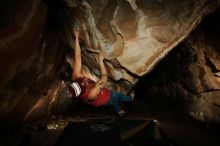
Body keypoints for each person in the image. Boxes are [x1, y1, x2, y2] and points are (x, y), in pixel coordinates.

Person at [67, 26, 134, 117]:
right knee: (115, 95)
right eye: (85, 84)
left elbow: (77, 58)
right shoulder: (92, 93)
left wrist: (76, 38)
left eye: (82, 80)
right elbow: (104, 78)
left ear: (76, 80)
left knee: (114, 101)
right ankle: (130, 98)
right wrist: (101, 61)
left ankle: (120, 112)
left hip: (95, 98)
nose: (85, 80)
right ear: (85, 90)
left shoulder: (76, 76)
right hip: (102, 100)